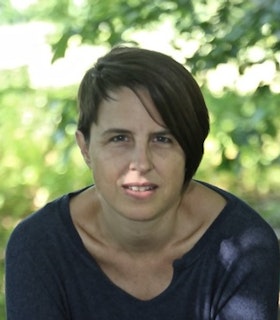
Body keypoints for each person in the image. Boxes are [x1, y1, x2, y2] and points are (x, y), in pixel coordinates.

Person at [5, 46, 280, 320]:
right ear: (85, 147)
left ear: (190, 151)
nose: (141, 162)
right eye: (119, 138)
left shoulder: (243, 247)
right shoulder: (39, 246)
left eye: (163, 139)